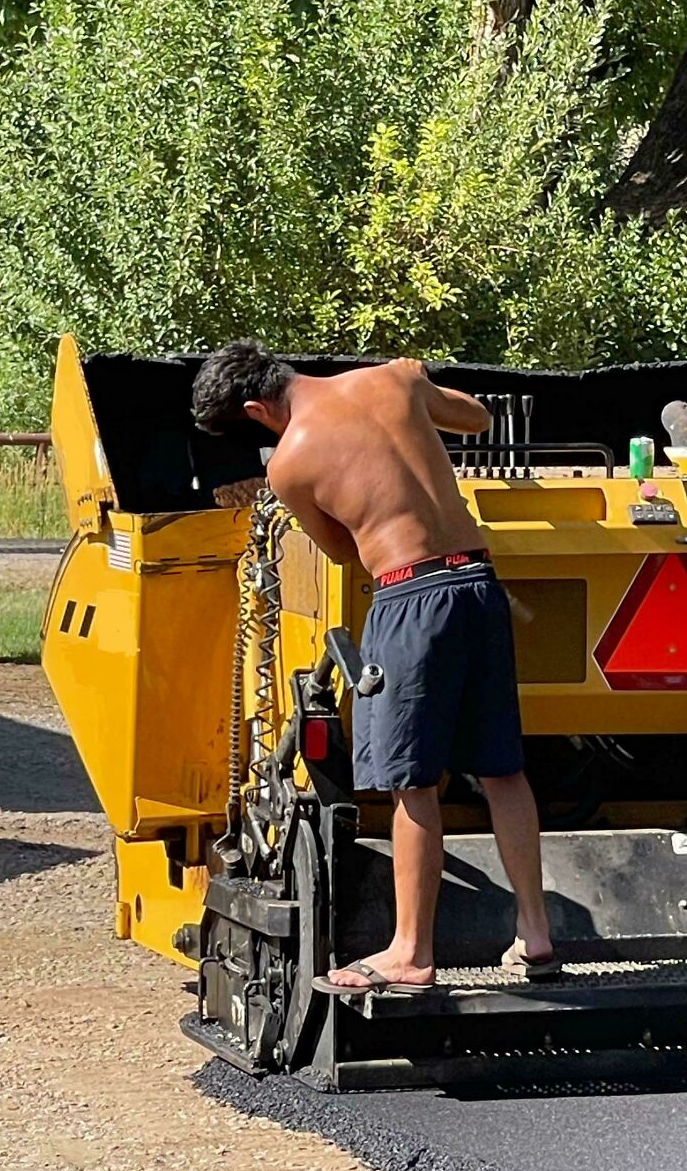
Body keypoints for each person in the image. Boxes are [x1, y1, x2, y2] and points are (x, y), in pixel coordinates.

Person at [193, 340, 559, 992]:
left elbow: (339, 550)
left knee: (412, 783)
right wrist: (422, 395)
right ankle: (534, 933)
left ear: (256, 407)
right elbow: (475, 417)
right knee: (502, 768)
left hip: (411, 596)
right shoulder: (394, 378)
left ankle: (411, 953)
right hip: (478, 584)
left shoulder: (290, 460)